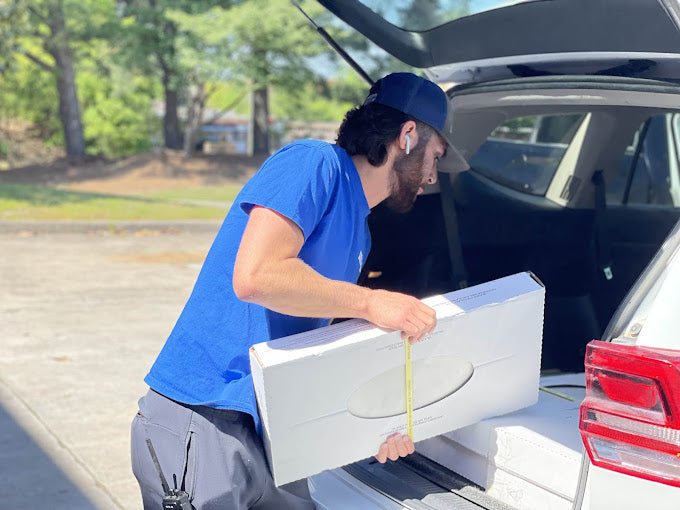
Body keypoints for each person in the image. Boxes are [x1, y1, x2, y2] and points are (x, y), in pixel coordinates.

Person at [131, 72, 469, 509]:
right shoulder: (313, 163)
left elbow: (313, 346)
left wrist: (373, 428)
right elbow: (257, 277)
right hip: (207, 416)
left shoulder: (360, 232)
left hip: (274, 431)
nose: (432, 176)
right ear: (407, 136)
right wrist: (370, 302)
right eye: (435, 157)